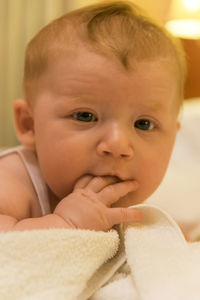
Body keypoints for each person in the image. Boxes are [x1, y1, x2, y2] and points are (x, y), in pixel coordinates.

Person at [0, 0, 186, 232]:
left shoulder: (127, 197)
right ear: (29, 124)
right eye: (86, 116)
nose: (118, 146)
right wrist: (65, 224)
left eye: (143, 124)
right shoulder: (14, 180)